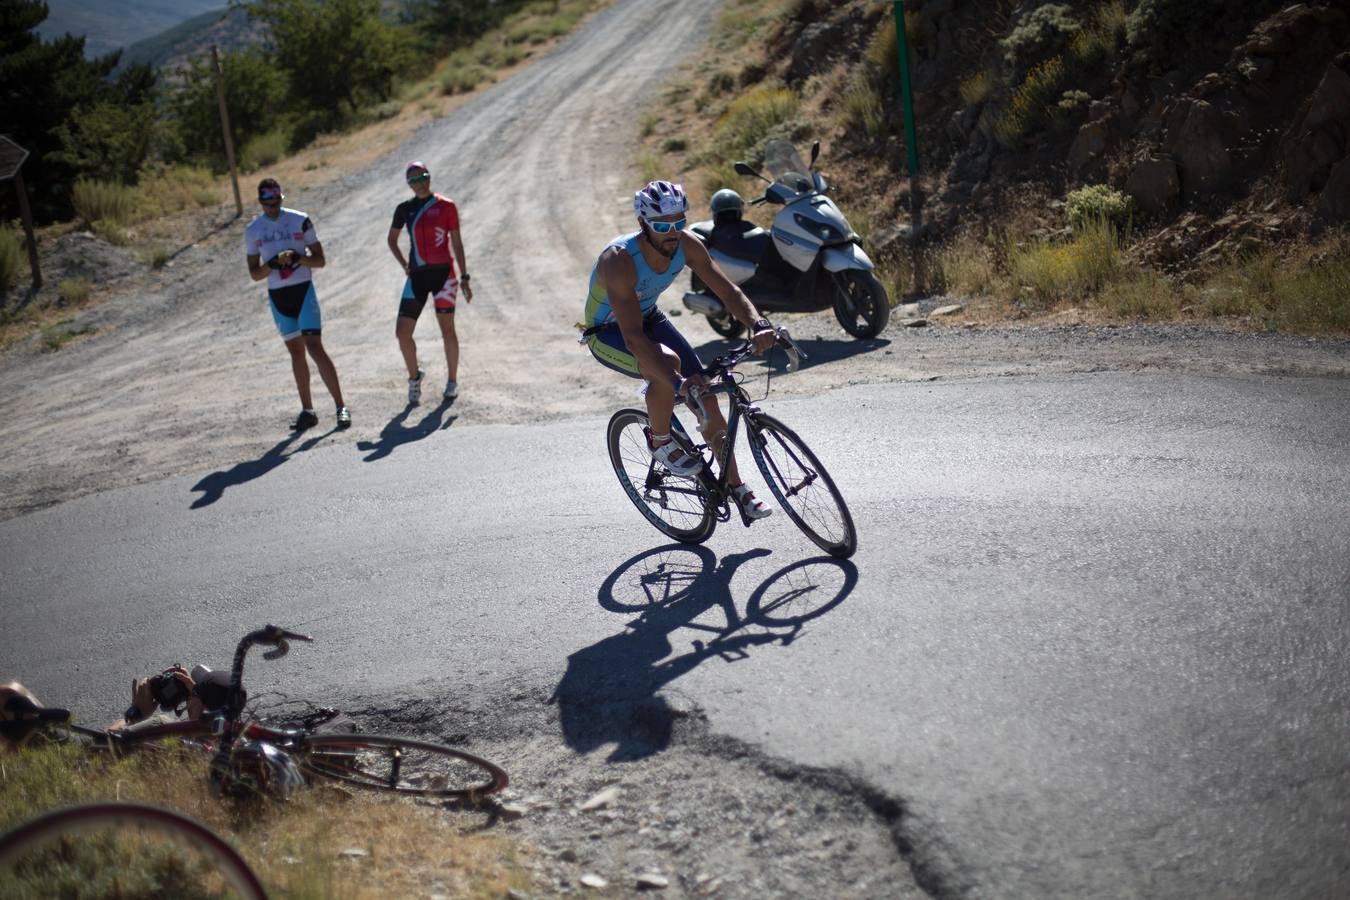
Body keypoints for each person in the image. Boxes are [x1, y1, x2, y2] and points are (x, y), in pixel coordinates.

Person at [580, 179, 775, 521]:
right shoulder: (619, 259)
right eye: (661, 225)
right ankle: (659, 439)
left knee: (707, 397)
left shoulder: (687, 245)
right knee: (666, 367)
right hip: (609, 332)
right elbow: (632, 339)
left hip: (649, 318)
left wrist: (758, 324)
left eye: (678, 222)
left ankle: (738, 489)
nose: (671, 232)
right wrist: (675, 381)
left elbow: (728, 292)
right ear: (643, 224)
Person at [244, 177, 351, 431]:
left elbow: (321, 260)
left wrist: (298, 258)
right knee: (296, 353)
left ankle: (341, 407)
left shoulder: (300, 219)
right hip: (278, 297)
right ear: (260, 203)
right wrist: (272, 264)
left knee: (315, 347)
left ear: (282, 198)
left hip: (303, 291)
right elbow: (254, 274)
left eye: (277, 201)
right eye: (268, 203)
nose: (274, 207)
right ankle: (308, 410)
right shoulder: (253, 230)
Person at [386, 161, 473, 404]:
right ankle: (414, 377)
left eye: (423, 177)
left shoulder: (446, 206)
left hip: (444, 276)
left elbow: (457, 243)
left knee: (447, 329)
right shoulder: (404, 209)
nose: (420, 183)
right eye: (414, 180)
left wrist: (464, 276)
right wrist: (404, 264)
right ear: (408, 184)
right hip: (417, 277)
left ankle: (452, 381)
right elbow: (391, 240)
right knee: (402, 333)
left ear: (429, 177)